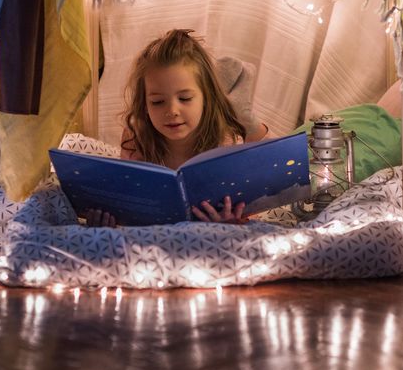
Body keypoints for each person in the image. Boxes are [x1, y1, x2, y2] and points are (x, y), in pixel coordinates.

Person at [85, 29, 267, 227]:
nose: (172, 111)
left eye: (185, 99)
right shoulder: (136, 137)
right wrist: (108, 221)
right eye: (157, 101)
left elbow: (244, 210)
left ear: (207, 98)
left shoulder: (225, 142)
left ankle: (242, 114)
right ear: (144, 105)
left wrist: (231, 222)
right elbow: (128, 205)